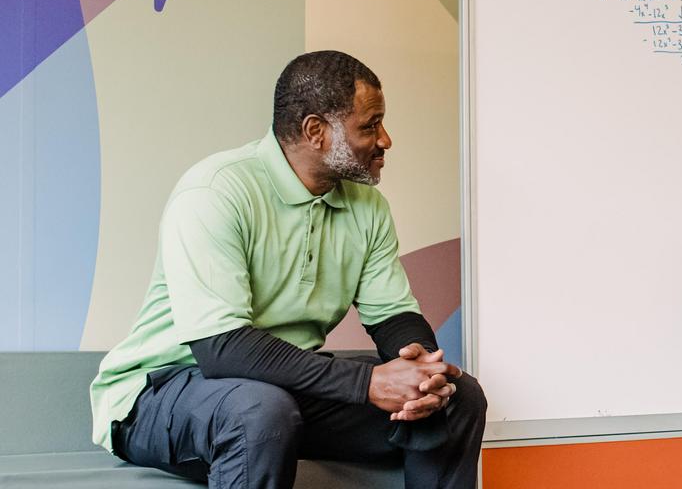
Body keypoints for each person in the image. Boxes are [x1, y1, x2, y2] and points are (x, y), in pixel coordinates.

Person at [90, 50, 486, 489]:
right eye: (369, 125)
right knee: (258, 410)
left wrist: (420, 375)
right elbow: (221, 349)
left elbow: (392, 315)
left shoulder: (367, 206)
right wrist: (366, 382)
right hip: (164, 392)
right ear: (315, 131)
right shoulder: (216, 192)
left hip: (279, 391)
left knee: (457, 397)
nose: (385, 139)